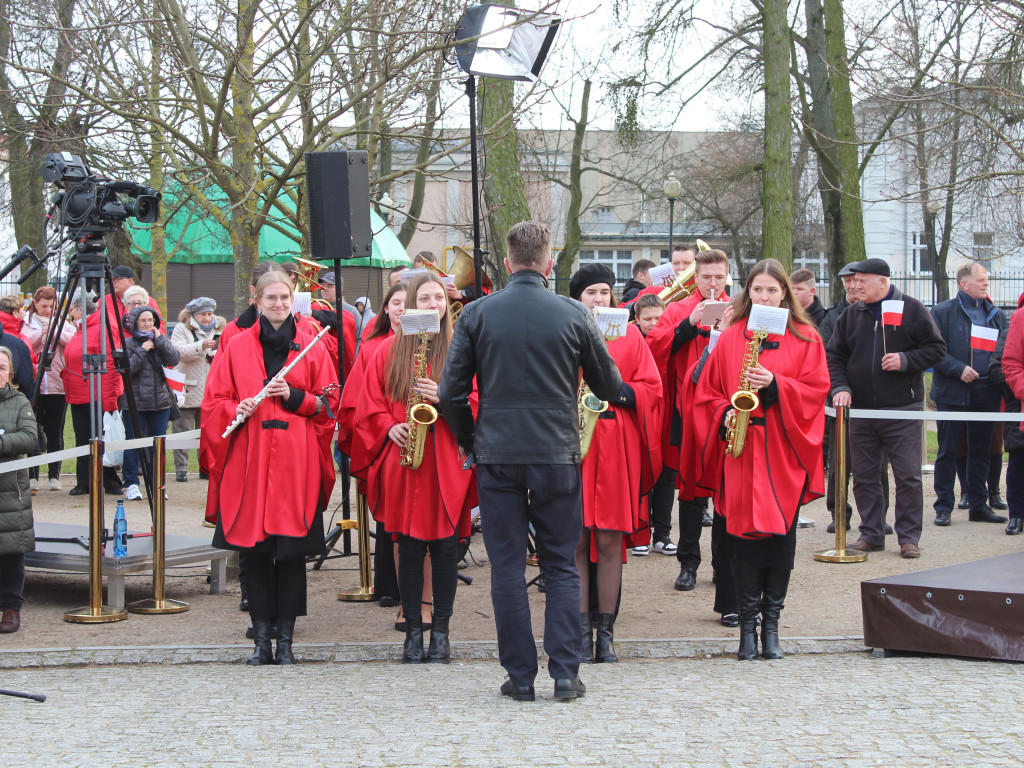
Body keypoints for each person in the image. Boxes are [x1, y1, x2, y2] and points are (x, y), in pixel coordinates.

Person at [439, 220, 622, 702]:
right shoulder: (574, 313)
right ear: (549, 262)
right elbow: (609, 386)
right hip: (556, 453)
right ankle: (565, 674)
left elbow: (450, 392)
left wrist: (469, 440)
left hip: (497, 453)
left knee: (506, 569)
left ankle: (520, 677)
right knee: (561, 564)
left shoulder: (476, 313)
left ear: (506, 262)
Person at [687, 258, 829, 660]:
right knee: (742, 539)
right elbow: (707, 393)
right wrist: (725, 414)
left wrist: (777, 383)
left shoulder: (806, 337)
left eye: (772, 290)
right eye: (757, 289)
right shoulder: (733, 336)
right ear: (747, 292)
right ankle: (747, 629)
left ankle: (772, 629)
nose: (764, 296)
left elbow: (816, 390)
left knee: (781, 538)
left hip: (783, 450)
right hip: (742, 450)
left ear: (784, 293)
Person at [202, 271, 339, 665]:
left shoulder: (312, 345)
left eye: (284, 297)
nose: (278, 304)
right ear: (257, 300)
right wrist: (237, 408)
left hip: (296, 461)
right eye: (271, 298)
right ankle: (262, 641)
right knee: (256, 552)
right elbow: (213, 403)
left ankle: (287, 643)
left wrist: (294, 396)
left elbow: (329, 405)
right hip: (251, 458)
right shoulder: (236, 345)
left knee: (291, 553)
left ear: (292, 299)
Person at [352, 272, 474, 664]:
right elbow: (368, 403)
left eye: (438, 298)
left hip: (446, 457)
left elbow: (481, 400)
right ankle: (413, 634)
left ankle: (441, 633)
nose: (433, 304)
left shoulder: (463, 348)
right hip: (404, 456)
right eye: (424, 298)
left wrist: (446, 398)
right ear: (410, 304)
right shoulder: (386, 349)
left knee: (445, 549)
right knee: (407, 548)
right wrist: (387, 426)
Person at [568, 264, 661, 663]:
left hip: (614, 442)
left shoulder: (631, 335)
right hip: (574, 442)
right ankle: (579, 634)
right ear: (578, 298)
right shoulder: (564, 330)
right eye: (591, 293)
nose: (599, 299)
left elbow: (652, 389)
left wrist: (617, 390)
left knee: (608, 537)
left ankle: (605, 635)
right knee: (576, 538)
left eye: (605, 292)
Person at [827, 258, 946, 559]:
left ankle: (908, 538)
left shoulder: (913, 309)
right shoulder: (851, 315)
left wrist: (906, 360)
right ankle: (871, 533)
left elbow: (937, 349)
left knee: (908, 476)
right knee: (865, 476)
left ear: (882, 281)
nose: (856, 286)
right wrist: (841, 387)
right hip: (861, 411)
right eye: (854, 281)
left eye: (862, 280)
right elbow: (835, 356)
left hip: (901, 409)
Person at [645, 248, 731, 592]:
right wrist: (687, 325)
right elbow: (653, 348)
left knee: (725, 493)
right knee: (692, 492)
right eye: (706, 277)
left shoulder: (737, 310)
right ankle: (688, 563)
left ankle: (722, 566)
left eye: (719, 277)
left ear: (727, 278)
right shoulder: (679, 309)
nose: (713, 283)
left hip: (724, 412)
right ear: (696, 279)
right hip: (687, 412)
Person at [339, 282, 407, 606]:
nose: (401, 308)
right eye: (395, 303)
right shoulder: (372, 348)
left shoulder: (433, 346)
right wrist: (384, 426)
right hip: (384, 442)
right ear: (386, 309)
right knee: (388, 514)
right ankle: (389, 585)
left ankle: (419, 592)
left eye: (407, 302)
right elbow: (357, 402)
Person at [929, 262, 1008, 526]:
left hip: (987, 391)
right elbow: (933, 350)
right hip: (952, 391)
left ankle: (978, 505)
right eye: (981, 279)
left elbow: (1003, 350)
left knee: (981, 451)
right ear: (964, 284)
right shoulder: (941, 312)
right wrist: (958, 369)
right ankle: (943, 507)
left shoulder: (995, 314)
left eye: (986, 279)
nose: (986, 283)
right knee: (947, 450)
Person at [61, 290, 124, 496]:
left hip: (96, 394)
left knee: (100, 438)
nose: (70, 313)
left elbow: (111, 365)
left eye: (72, 309)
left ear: (80, 309)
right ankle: (85, 480)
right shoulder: (84, 327)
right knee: (82, 438)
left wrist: (109, 399)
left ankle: (109, 480)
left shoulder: (101, 328)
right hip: (80, 393)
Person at [121, 305, 180, 501]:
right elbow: (127, 370)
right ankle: (132, 484)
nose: (148, 324)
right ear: (135, 323)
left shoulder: (160, 340)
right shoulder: (128, 344)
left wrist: (160, 340)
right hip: (135, 403)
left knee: (158, 446)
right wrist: (142, 351)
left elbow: (174, 358)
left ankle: (158, 484)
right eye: (143, 321)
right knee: (133, 444)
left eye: (151, 320)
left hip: (160, 402)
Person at [0, 346, 39, 634]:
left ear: (9, 373)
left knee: (12, 551)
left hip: (10, 489)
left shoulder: (20, 401)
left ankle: (11, 607)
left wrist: (1, 442)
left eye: (1, 367)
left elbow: (29, 438)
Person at [22, 286, 75, 491]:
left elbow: (72, 341)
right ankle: (33, 475)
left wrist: (56, 332)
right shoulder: (26, 324)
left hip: (57, 386)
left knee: (55, 430)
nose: (47, 310)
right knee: (32, 429)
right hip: (33, 385)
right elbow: (23, 344)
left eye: (51, 306)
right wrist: (40, 334)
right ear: (35, 304)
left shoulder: (63, 323)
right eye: (43, 306)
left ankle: (54, 475)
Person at [170, 297, 227, 482]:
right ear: (193, 315)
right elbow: (177, 353)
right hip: (187, 388)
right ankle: (181, 468)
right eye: (203, 314)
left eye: (210, 314)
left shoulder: (221, 329)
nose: (207, 318)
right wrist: (201, 346)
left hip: (212, 390)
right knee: (183, 433)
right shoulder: (182, 328)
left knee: (208, 435)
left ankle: (206, 467)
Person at [989, 292, 1024, 535]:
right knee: (1019, 461)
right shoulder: (1020, 319)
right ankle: (1018, 514)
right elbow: (1008, 363)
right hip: (1019, 404)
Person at [107, 265, 159, 337]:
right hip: (116, 343)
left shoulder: (148, 301)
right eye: (112, 279)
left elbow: (159, 327)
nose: (113, 282)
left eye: (117, 279)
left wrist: (153, 340)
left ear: (130, 281)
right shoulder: (104, 302)